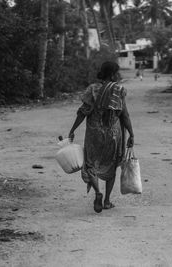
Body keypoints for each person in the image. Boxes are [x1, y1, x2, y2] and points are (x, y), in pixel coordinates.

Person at [68, 61, 134, 213]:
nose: (118, 75)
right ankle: (107, 201)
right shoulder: (119, 90)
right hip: (113, 133)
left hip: (94, 133)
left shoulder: (92, 89)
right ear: (112, 74)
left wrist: (72, 129)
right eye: (117, 72)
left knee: (91, 164)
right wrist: (131, 133)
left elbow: (83, 111)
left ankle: (98, 191)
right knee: (111, 165)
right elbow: (125, 115)